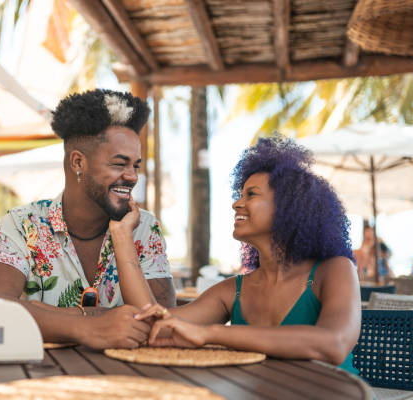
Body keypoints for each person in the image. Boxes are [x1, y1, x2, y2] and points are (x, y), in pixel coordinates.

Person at [110, 135, 361, 373]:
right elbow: (154, 324)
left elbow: (334, 343)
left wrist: (213, 333)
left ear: (288, 206)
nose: (236, 204)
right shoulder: (234, 290)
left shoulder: (334, 269)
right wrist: (122, 238)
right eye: (240, 195)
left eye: (251, 195)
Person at [0, 89, 175, 349]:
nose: (132, 176)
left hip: (126, 378)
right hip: (35, 378)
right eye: (119, 164)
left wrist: (44, 313)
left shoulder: (144, 227)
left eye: (135, 165)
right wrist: (89, 327)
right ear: (78, 162)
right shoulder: (23, 224)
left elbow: (162, 324)